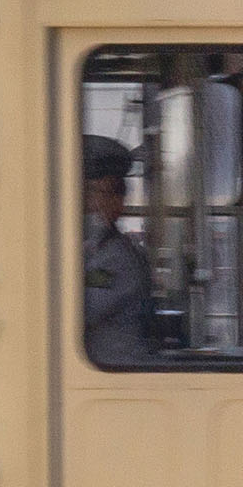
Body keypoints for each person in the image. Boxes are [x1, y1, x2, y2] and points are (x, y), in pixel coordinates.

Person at [82, 135, 153, 365]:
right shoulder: (91, 248)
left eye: (96, 192)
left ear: (118, 202)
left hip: (115, 378)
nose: (88, 203)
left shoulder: (118, 259)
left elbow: (78, 311)